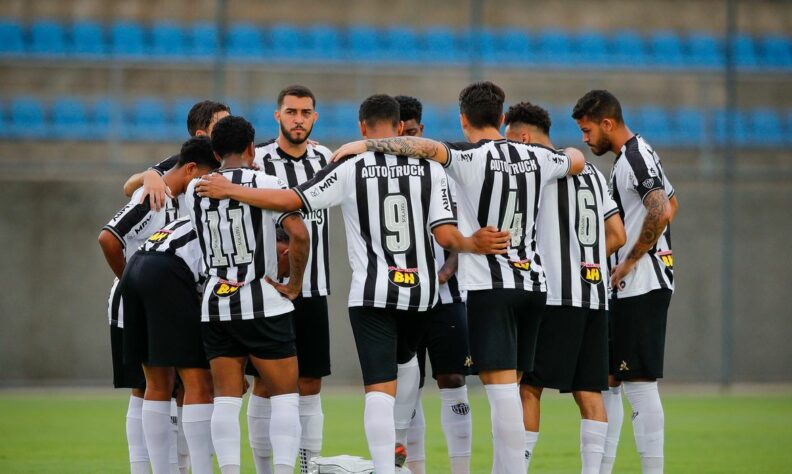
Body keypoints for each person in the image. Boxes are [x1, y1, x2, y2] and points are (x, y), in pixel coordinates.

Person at [193, 94, 510, 474]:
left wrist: (232, 190)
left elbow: (292, 200)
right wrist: (472, 243)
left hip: (372, 292)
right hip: (422, 294)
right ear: (397, 130)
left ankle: (383, 466)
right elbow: (445, 236)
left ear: (362, 129)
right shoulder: (432, 172)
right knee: (408, 366)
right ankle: (410, 456)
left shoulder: (348, 167)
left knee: (378, 387)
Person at [329, 81, 586, 474]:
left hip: (490, 285)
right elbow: (576, 159)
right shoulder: (536, 157)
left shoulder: (465, 157)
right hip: (534, 285)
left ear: (463, 119)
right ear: (502, 118)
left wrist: (364, 146)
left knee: (501, 394)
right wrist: (565, 151)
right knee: (514, 390)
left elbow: (423, 148)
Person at [504, 102, 626, 473]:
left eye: (512, 141)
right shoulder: (591, 172)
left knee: (528, 388)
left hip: (555, 296)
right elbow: (618, 234)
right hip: (594, 295)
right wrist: (585, 259)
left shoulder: (537, 171)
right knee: (590, 393)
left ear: (523, 137)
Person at [185, 115, 310, 474]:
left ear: (215, 150)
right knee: (285, 397)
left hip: (216, 303)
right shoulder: (266, 182)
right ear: (251, 147)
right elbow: (299, 236)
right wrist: (295, 284)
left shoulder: (197, 189)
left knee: (224, 399)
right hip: (263, 301)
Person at [572, 90, 679, 474]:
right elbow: (671, 203)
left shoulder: (634, 158)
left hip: (642, 283)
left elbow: (660, 208)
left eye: (587, 131)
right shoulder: (635, 155)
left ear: (607, 123)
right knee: (610, 379)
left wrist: (632, 259)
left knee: (639, 383)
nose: (585, 139)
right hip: (633, 282)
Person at [98, 136, 218, 474]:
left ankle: (177, 466)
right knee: (157, 385)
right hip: (147, 294)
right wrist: (130, 281)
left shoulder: (182, 193)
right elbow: (109, 237)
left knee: (165, 387)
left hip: (166, 292)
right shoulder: (155, 195)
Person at [244, 85, 333, 474]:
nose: (298, 119)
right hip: (268, 292)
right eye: (291, 111)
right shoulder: (258, 160)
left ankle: (308, 467)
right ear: (277, 115)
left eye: (305, 113)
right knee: (266, 383)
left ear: (314, 118)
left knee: (310, 383)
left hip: (313, 288)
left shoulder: (327, 157)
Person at [395, 95, 472, 474]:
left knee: (453, 379)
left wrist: (442, 274)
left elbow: (460, 236)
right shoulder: (380, 180)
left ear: (421, 131)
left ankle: (459, 468)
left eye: (413, 133)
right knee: (407, 389)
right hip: (402, 299)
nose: (408, 141)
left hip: (445, 296)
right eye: (401, 133)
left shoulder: (445, 175)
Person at [123, 100, 231, 210]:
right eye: (222, 126)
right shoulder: (181, 163)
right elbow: (128, 188)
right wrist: (148, 176)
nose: (230, 131)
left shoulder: (242, 164)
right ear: (201, 135)